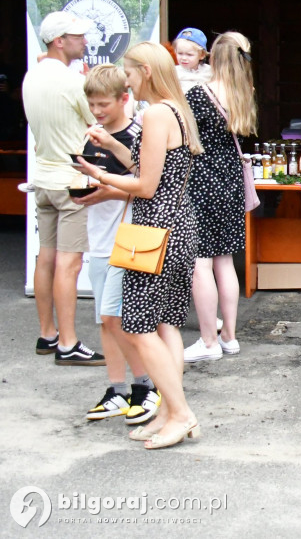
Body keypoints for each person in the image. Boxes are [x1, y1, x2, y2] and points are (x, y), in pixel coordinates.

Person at [77, 42, 203, 449]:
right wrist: (113, 149)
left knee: (137, 323)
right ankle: (169, 412)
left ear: (145, 71)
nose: (126, 81)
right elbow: (150, 168)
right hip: (177, 224)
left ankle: (180, 413)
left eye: (128, 74)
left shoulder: (154, 113)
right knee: (165, 324)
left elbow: (146, 185)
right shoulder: (176, 110)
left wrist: (101, 176)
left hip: (153, 229)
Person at [74, 65, 160, 423]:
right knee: (105, 320)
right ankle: (117, 390)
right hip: (99, 235)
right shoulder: (92, 135)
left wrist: (108, 187)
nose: (97, 111)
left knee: (120, 317)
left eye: (103, 104)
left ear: (124, 98)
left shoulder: (139, 133)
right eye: (91, 104)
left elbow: (146, 183)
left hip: (130, 237)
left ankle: (145, 386)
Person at [22, 11, 105, 365]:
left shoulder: (31, 76)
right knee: (69, 265)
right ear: (60, 41)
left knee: (47, 258)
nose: (85, 40)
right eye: (78, 36)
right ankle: (69, 344)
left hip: (43, 177)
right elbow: (97, 122)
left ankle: (48, 334)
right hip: (72, 180)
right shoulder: (72, 82)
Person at [182, 32, 257, 363]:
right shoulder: (244, 93)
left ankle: (208, 341)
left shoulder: (200, 94)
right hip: (230, 182)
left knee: (201, 264)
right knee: (225, 261)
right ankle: (229, 337)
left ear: (213, 58)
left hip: (203, 182)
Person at [173, 27, 212, 92]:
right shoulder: (173, 72)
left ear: (202, 55)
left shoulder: (210, 72)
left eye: (189, 55)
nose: (184, 58)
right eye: (180, 53)